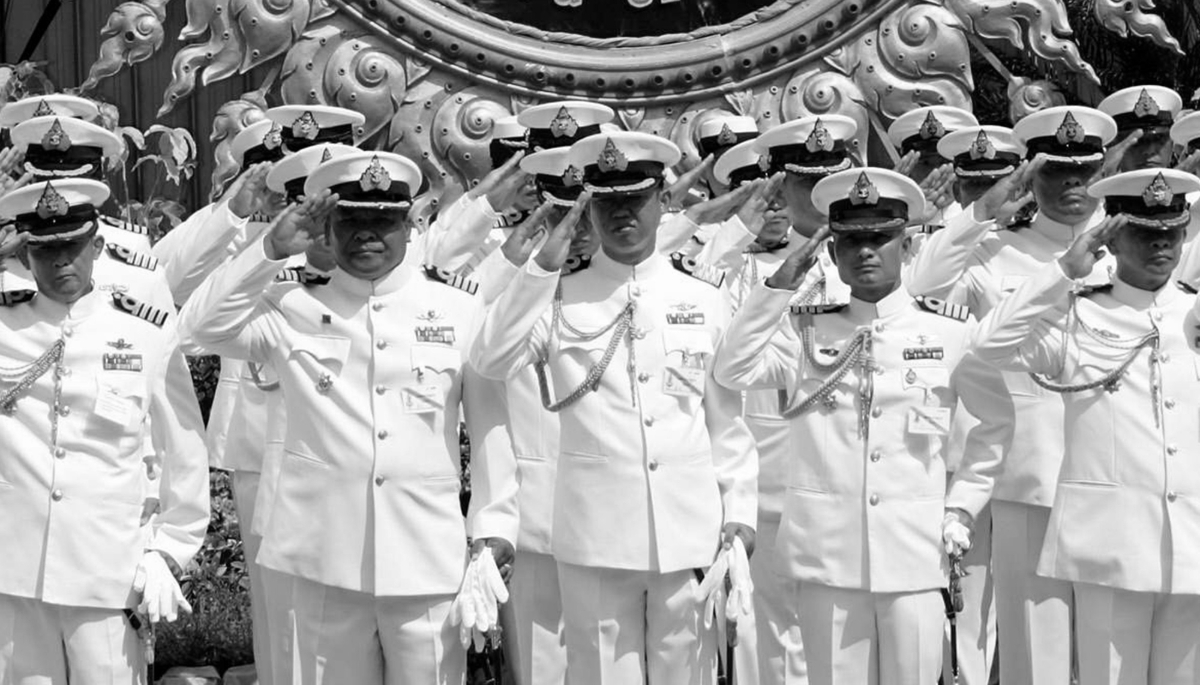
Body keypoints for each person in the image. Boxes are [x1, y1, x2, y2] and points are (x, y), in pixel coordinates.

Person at [178, 151, 518, 684]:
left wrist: (494, 527)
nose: (366, 235)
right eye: (350, 220)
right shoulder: (288, 308)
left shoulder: (458, 311)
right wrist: (269, 251)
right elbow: (196, 332)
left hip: (425, 559)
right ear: (327, 228)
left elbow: (491, 424)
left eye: (382, 220)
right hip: (318, 562)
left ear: (408, 224)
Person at [469, 131, 758, 685]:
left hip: (689, 531)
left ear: (662, 201)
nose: (622, 213)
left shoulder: (702, 297)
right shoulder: (557, 293)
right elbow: (491, 359)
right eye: (606, 201)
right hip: (594, 537)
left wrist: (739, 509)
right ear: (588, 206)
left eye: (636, 199)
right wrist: (538, 273)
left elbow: (726, 420)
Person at [713, 167, 1011, 685]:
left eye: (879, 238)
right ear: (831, 253)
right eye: (850, 242)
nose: (865, 252)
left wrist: (963, 505)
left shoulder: (949, 331)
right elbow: (732, 369)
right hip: (826, 559)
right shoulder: (802, 329)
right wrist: (777, 288)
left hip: (914, 553)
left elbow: (994, 424)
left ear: (906, 246)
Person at [903, 104, 1119, 685]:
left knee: (1117, 655)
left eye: (1083, 173)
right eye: (1055, 173)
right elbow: (921, 284)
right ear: (1032, 176)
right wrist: (980, 213)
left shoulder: (1132, 245)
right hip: (1031, 472)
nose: (1072, 186)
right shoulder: (996, 251)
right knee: (1036, 653)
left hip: (1119, 474)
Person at [970, 167, 1200, 685]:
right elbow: (988, 348)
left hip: (1191, 547)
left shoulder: (1192, 314)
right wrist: (1060, 275)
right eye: (1143, 231)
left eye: (1170, 231)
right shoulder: (1074, 316)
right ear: (1112, 236)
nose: (1160, 244)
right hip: (1111, 547)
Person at [0, 178, 209, 684]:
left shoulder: (145, 334)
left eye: (72, 246)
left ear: (97, 246)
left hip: (108, 573)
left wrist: (168, 552)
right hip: (15, 576)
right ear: (24, 255)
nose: (61, 262)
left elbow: (184, 451)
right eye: (45, 251)